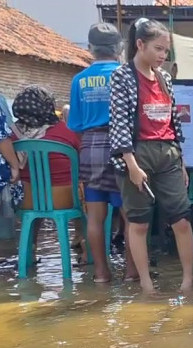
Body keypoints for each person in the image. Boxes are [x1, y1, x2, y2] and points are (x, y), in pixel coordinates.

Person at [109, 18, 193, 293]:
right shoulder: (122, 76)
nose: (162, 56)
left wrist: (181, 160)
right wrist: (130, 164)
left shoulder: (164, 78)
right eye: (158, 49)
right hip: (136, 153)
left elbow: (173, 122)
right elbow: (119, 122)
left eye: (166, 51)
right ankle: (146, 285)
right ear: (140, 44)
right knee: (139, 221)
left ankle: (188, 281)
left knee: (181, 218)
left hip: (167, 152)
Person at [68, 22, 136, 283]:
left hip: (90, 148)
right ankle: (131, 272)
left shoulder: (79, 80)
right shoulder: (125, 75)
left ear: (90, 48)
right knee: (130, 215)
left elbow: (74, 123)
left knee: (95, 217)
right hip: (123, 148)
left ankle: (100, 273)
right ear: (120, 48)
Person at [12, 86, 81, 211]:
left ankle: (30, 230)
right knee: (84, 205)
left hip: (28, 200)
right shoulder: (65, 131)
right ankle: (81, 229)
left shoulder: (13, 135)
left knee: (32, 212)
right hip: (63, 199)